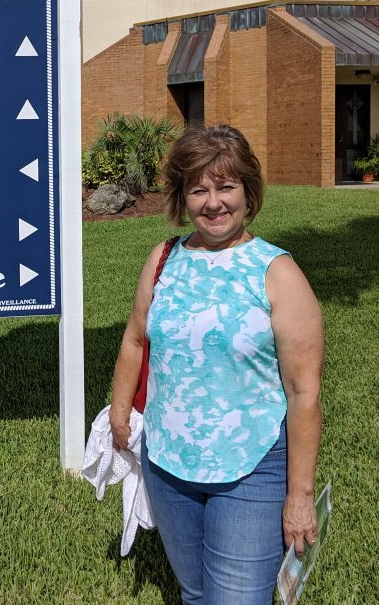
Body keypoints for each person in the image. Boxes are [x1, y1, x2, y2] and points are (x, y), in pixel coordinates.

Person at [109, 124, 323, 605]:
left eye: (225, 187)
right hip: (166, 462)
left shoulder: (277, 272)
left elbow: (304, 392)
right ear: (182, 197)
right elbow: (135, 339)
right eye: (198, 189)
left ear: (248, 191)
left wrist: (300, 495)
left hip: (250, 468)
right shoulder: (164, 258)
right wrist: (120, 410)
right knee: (196, 592)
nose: (213, 202)